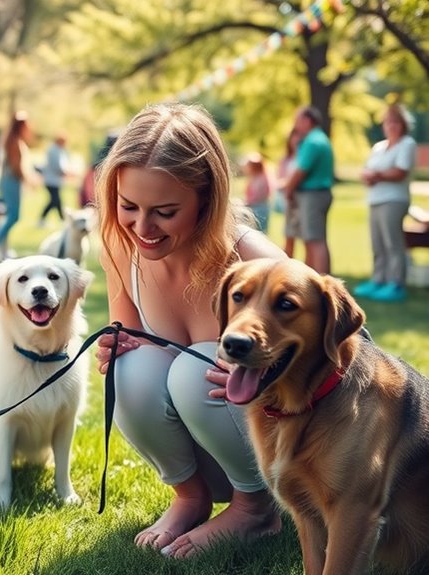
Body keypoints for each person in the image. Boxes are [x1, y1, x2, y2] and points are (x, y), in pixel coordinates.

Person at [94, 103, 284, 560]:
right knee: (130, 368)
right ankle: (191, 496)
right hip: (208, 441)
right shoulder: (121, 248)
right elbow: (135, 338)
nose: (143, 227)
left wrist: (270, 371)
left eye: (164, 211)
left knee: (192, 367)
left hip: (283, 447)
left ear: (206, 198)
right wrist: (117, 345)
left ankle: (256, 510)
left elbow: (346, 350)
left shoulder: (250, 257)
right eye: (128, 207)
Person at [354, 103, 419, 302]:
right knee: (377, 243)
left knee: (393, 243)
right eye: (388, 122)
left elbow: (400, 171)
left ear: (403, 124)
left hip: (394, 200)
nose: (391, 126)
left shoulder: (406, 144)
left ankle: (396, 283)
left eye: (396, 122)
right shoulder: (379, 147)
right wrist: (369, 176)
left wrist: (377, 175)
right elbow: (367, 170)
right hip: (376, 199)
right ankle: (378, 280)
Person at [282, 106, 334, 274]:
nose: (295, 125)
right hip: (314, 194)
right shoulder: (318, 139)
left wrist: (289, 189)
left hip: (313, 195)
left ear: (307, 120)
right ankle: (311, 276)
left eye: (298, 120)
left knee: (315, 240)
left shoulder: (313, 141)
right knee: (310, 239)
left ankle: (322, 280)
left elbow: (300, 170)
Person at [0, 111, 33, 262]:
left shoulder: (11, 140)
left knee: (9, 216)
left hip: (8, 181)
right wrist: (29, 181)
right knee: (13, 216)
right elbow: (16, 166)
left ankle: (3, 249)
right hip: (11, 181)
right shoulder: (14, 142)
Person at [275, 129, 302, 258]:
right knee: (289, 234)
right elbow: (279, 179)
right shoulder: (286, 160)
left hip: (301, 198)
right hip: (288, 200)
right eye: (294, 137)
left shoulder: (303, 157)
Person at [38, 134, 71, 227]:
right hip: (51, 180)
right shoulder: (54, 151)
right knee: (54, 200)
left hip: (55, 180)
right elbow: (57, 166)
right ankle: (43, 218)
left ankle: (62, 220)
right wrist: (65, 173)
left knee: (57, 201)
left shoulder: (59, 150)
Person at [241, 153, 270, 233]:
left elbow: (257, 196)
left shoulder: (261, 179)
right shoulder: (253, 178)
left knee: (259, 232)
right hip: (253, 207)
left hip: (258, 208)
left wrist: (245, 202)